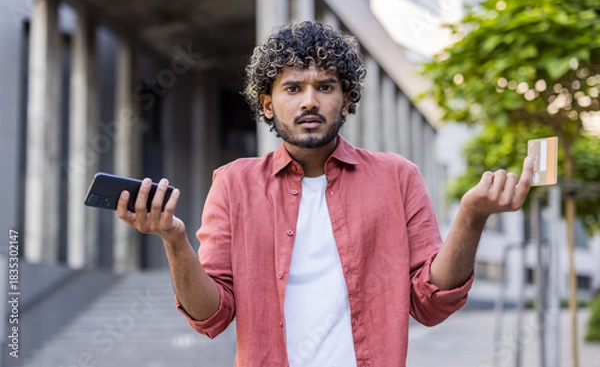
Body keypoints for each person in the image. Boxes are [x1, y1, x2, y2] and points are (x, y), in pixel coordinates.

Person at [116, 20, 533, 367]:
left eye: (326, 87)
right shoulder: (234, 183)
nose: (309, 101)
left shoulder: (398, 177)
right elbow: (212, 315)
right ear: (266, 103)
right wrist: (174, 240)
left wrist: (472, 215)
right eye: (293, 88)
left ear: (346, 97)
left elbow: (431, 301)